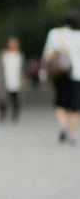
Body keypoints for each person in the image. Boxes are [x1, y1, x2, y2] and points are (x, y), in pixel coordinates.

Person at [42, 9, 80, 144]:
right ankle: (71, 134)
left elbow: (47, 54)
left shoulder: (55, 33)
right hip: (77, 75)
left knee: (60, 103)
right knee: (75, 107)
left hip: (61, 74)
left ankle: (63, 126)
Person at [0, 37, 25, 122]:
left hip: (16, 81)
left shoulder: (20, 55)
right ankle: (3, 114)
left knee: (16, 100)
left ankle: (15, 116)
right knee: (2, 99)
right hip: (4, 81)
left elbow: (22, 69)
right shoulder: (2, 55)